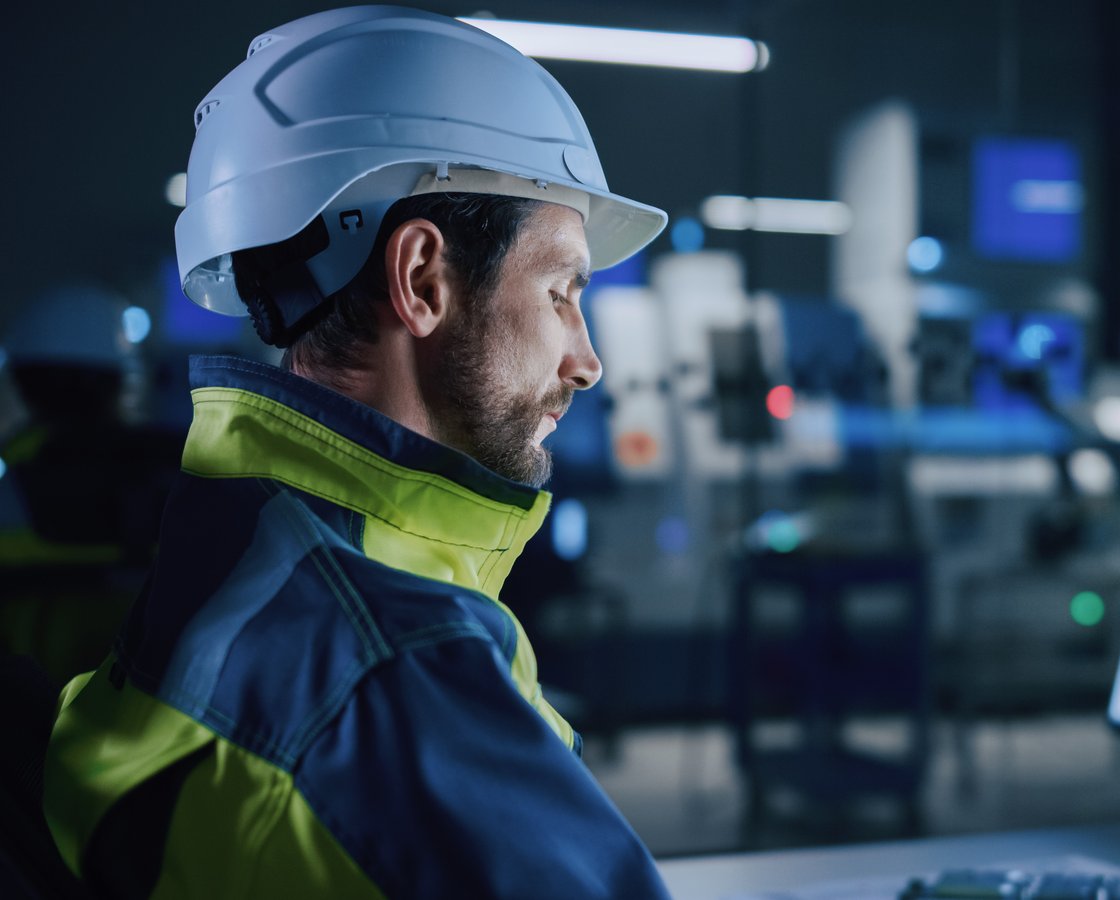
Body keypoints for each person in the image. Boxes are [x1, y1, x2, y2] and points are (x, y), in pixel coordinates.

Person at [42, 7, 671, 897]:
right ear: (423, 280)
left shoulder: (227, 554)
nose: (587, 359)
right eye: (562, 292)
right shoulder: (395, 672)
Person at [0, 283, 181, 687]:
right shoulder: (183, 472)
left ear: (23, 383)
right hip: (158, 718)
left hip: (36, 724)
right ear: (123, 382)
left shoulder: (12, 489)